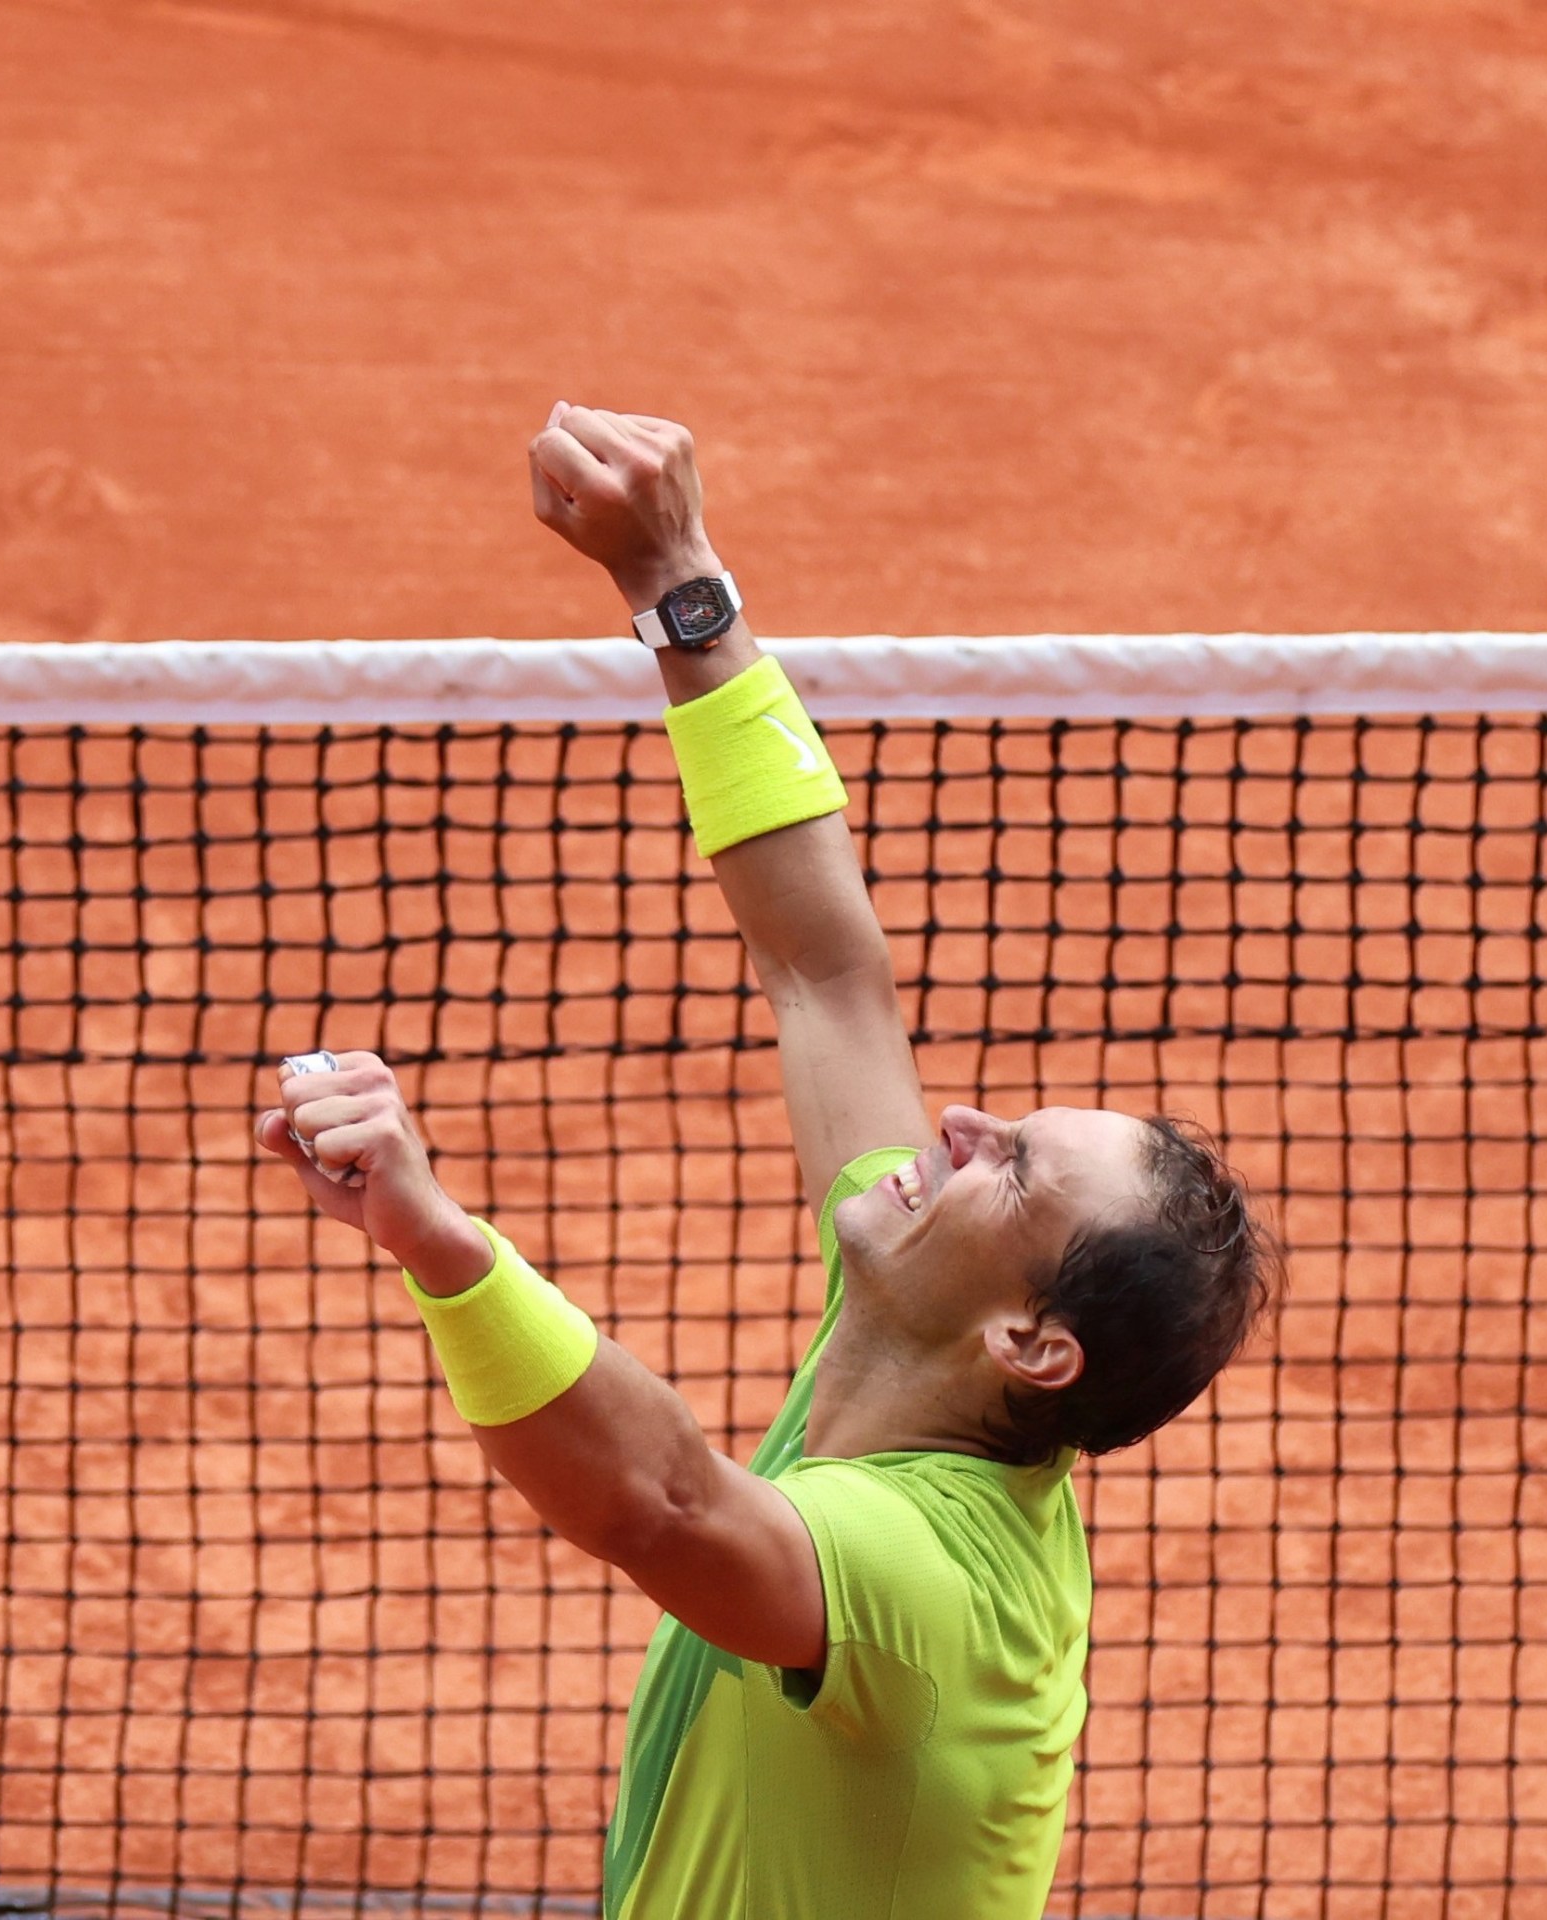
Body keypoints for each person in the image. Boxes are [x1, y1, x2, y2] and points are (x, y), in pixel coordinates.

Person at [256, 405, 1282, 1920]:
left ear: (1031, 1343)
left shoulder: (927, 1590)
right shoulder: (918, 1342)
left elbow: (663, 1507)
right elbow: (824, 972)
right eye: (1005, 1116)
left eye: (1009, 1168)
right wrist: (676, 579)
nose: (957, 1126)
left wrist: (441, 1242)